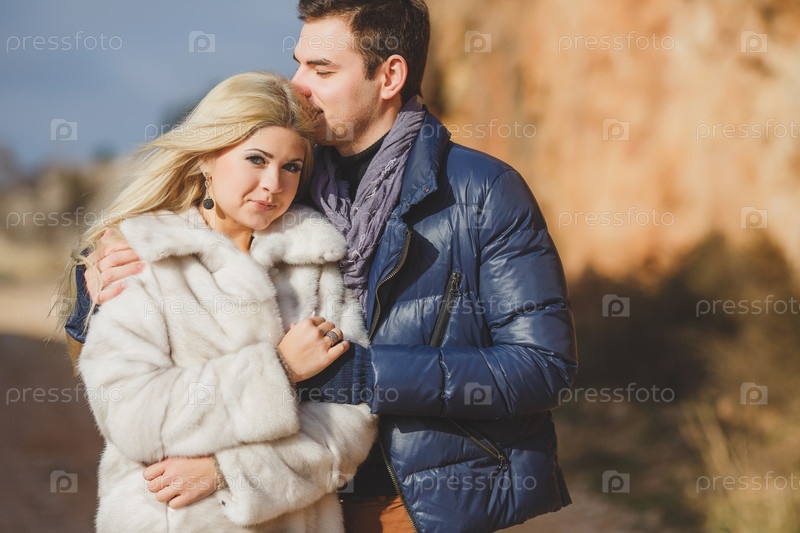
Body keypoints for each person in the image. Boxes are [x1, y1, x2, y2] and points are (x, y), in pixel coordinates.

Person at [69, 1, 579, 531]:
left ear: (389, 76)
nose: (298, 85)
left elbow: (542, 367)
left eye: (322, 70)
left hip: (417, 502)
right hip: (295, 508)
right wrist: (95, 289)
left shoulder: (483, 192)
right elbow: (139, 346)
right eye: (298, 64)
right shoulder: (290, 181)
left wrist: (366, 374)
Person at [62, 71, 378, 532]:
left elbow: (351, 422)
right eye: (256, 159)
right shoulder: (144, 255)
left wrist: (229, 473)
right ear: (208, 157)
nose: (273, 183)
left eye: (291, 167)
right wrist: (279, 370)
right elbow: (131, 412)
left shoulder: (316, 260)